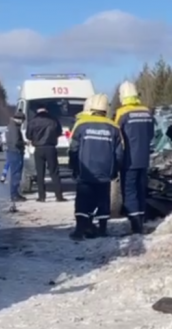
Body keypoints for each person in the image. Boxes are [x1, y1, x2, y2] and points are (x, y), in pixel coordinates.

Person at [68, 94, 123, 240]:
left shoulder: (81, 125)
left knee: (83, 200)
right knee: (103, 200)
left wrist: (73, 166)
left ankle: (80, 230)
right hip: (105, 171)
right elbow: (119, 153)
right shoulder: (114, 127)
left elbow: (73, 149)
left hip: (85, 170)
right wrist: (115, 170)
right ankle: (102, 229)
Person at [114, 81, 154, 234]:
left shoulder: (122, 113)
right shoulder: (147, 112)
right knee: (141, 189)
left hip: (128, 159)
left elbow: (117, 135)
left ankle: (135, 225)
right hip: (144, 158)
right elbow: (151, 134)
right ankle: (141, 221)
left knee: (129, 191)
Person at [25, 104, 66, 202]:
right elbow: (59, 132)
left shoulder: (32, 121)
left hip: (38, 149)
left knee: (40, 173)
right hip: (51, 148)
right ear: (46, 110)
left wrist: (35, 138)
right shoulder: (53, 120)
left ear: (37, 110)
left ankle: (41, 196)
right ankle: (59, 196)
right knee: (54, 172)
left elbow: (28, 135)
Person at [5, 111, 27, 202]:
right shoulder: (14, 128)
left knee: (14, 173)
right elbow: (16, 142)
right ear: (19, 119)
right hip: (16, 152)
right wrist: (24, 143)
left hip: (11, 151)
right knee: (16, 174)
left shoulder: (10, 126)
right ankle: (14, 194)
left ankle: (15, 193)